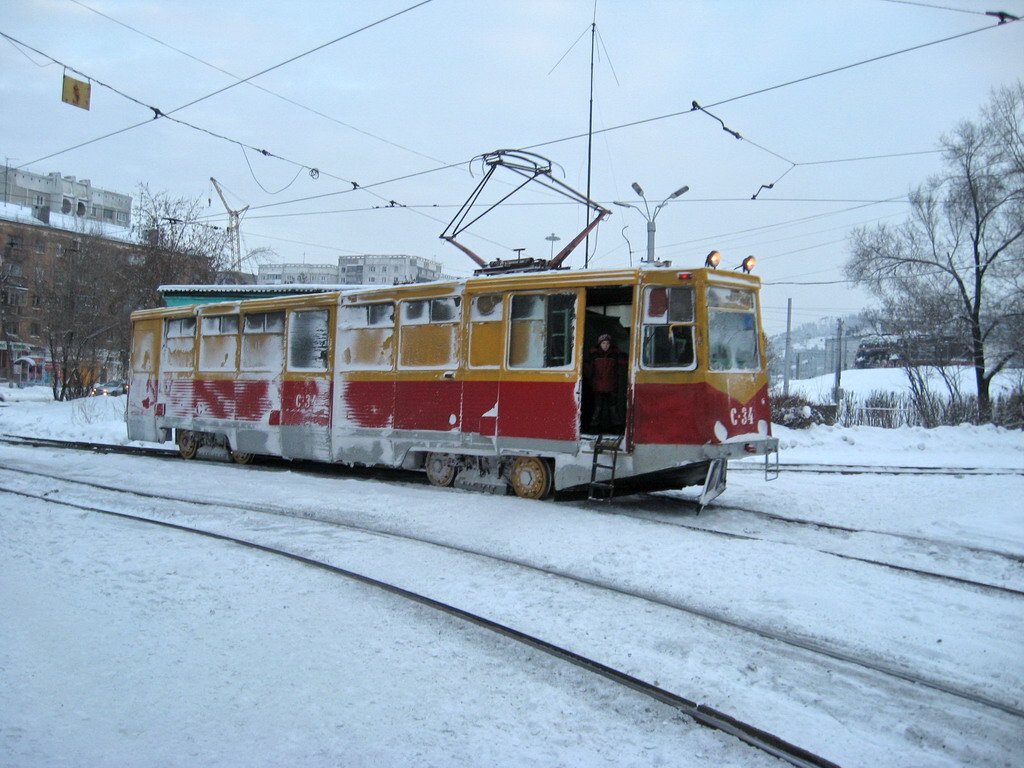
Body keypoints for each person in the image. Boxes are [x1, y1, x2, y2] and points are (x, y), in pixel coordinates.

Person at [585, 333, 626, 433]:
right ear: (600, 344)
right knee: (597, 409)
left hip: (612, 386)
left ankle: (616, 427)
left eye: (607, 343)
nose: (606, 345)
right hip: (598, 387)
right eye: (603, 343)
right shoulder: (594, 356)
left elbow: (624, 363)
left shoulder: (615, 355)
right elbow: (588, 370)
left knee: (613, 409)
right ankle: (594, 427)